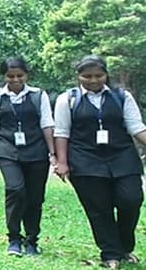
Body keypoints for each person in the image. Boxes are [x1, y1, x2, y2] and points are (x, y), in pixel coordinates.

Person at [53, 55, 145, 269]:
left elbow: (136, 127)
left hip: (122, 156)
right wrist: (62, 162)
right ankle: (111, 254)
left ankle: (125, 246)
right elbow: (62, 132)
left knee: (131, 200)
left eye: (98, 75)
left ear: (106, 75)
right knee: (99, 208)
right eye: (87, 76)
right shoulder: (68, 99)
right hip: (85, 160)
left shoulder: (122, 96)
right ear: (78, 76)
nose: (93, 80)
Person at [0, 57, 54, 257]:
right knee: (15, 190)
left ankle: (31, 240)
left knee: (35, 197)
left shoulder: (38, 95)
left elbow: (47, 124)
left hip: (37, 151)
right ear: (3, 76)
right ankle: (14, 238)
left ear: (26, 75)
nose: (15, 80)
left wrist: (53, 154)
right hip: (7, 149)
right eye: (10, 76)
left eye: (19, 75)